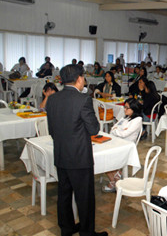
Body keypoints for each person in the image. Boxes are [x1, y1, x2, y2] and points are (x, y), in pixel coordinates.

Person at [46, 64, 108, 236]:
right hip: (80, 157)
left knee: (64, 195)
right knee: (85, 198)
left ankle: (66, 229)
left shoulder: (52, 99)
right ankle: (87, 233)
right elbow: (94, 129)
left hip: (61, 154)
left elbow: (51, 130)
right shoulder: (83, 99)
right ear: (79, 79)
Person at [102, 99, 143, 193]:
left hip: (126, 147)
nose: (124, 109)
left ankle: (114, 178)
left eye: (127, 108)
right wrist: (118, 130)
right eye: (124, 107)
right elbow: (114, 127)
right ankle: (116, 177)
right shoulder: (126, 117)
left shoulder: (137, 120)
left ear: (134, 109)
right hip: (118, 143)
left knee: (105, 158)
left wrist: (117, 131)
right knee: (103, 156)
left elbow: (124, 134)